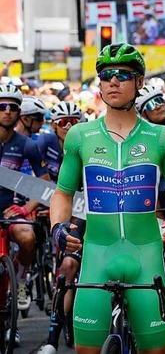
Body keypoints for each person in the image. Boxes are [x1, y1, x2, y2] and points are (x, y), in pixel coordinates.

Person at [50, 43, 165, 354]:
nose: (113, 81)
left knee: (157, 350)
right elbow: (63, 193)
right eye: (105, 75)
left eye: (122, 75)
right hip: (96, 257)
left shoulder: (161, 137)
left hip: (146, 258)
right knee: (86, 349)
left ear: (139, 82)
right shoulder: (80, 136)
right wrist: (57, 227)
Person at [0, 84, 50, 336]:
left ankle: (20, 279)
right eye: (2, 107)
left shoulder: (27, 145)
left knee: (28, 237)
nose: (7, 112)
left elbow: (45, 182)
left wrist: (25, 208)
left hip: (12, 211)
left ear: (19, 112)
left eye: (13, 107)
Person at [38, 102, 84, 354]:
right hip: (61, 211)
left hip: (90, 215)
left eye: (74, 121)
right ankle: (52, 338)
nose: (69, 126)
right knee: (67, 268)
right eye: (63, 122)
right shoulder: (43, 145)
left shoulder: (89, 144)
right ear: (54, 125)